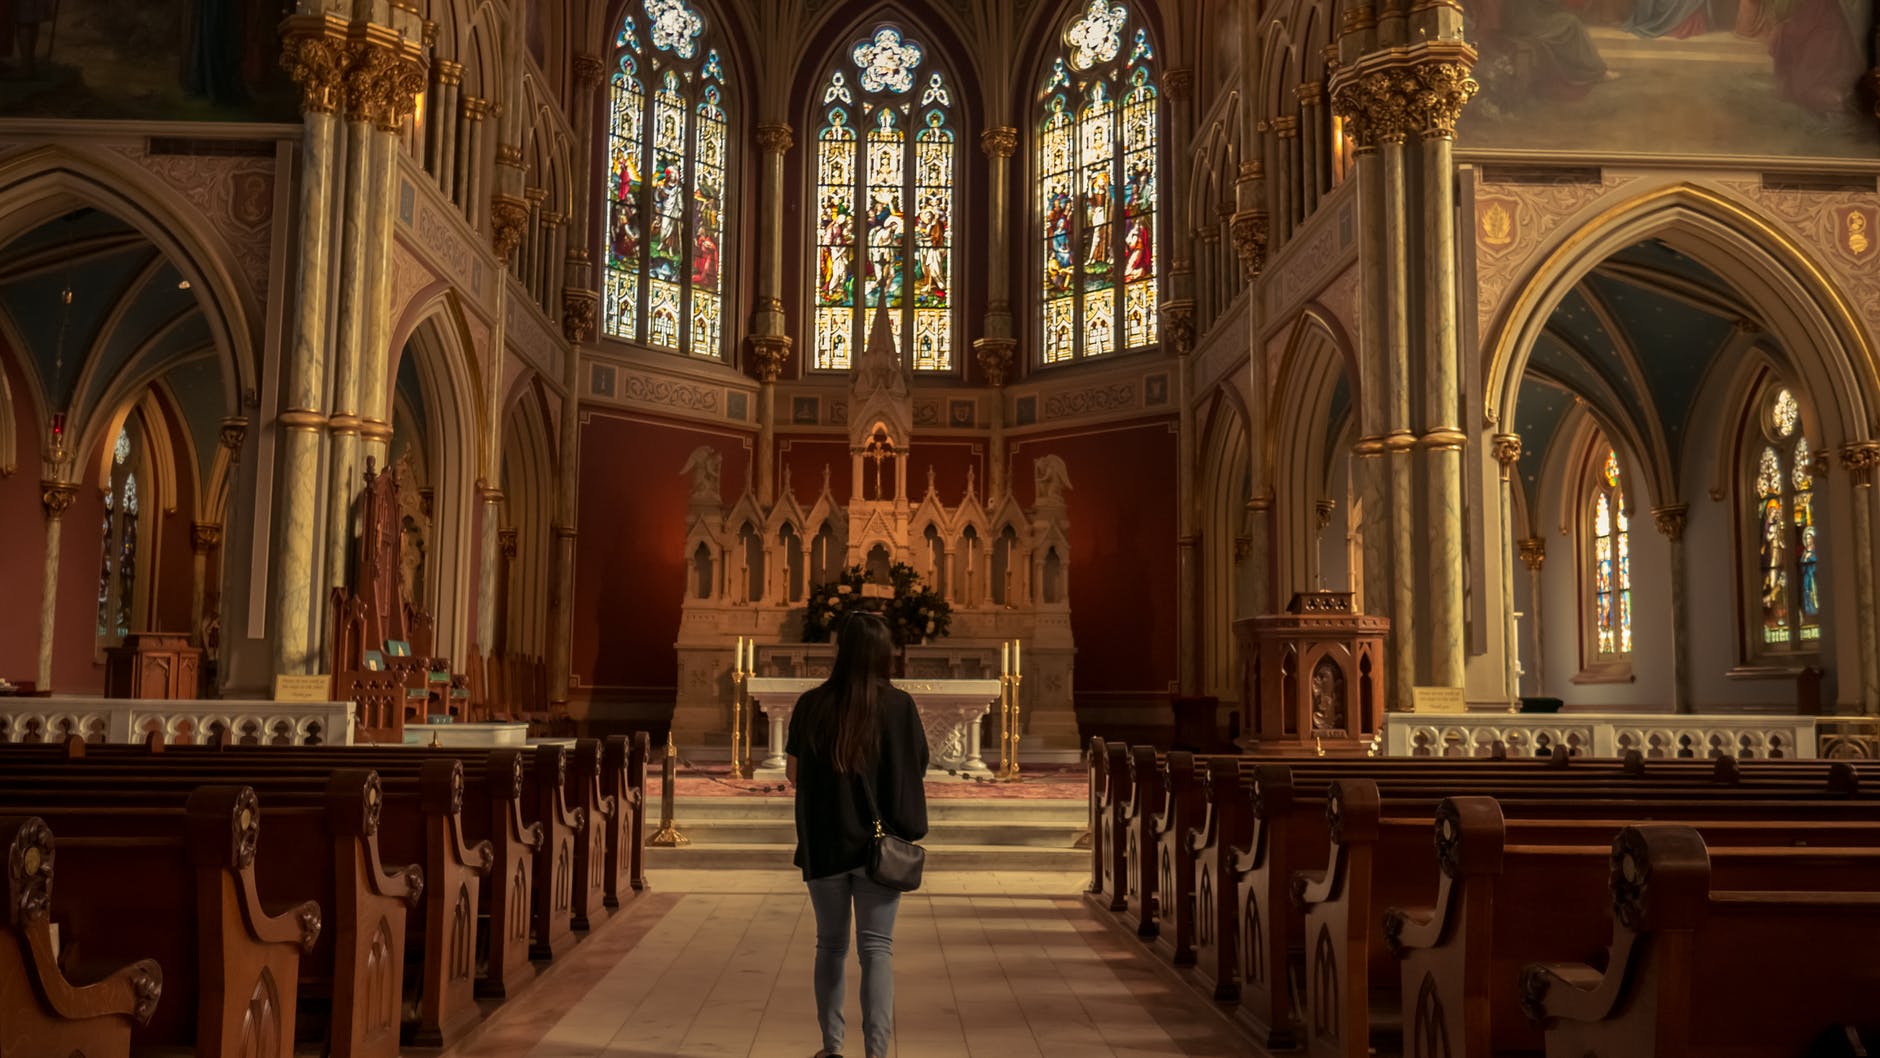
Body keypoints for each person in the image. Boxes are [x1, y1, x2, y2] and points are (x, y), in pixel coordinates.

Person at [786, 610, 929, 1058]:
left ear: (841, 651)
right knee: (877, 950)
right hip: (878, 849)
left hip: (826, 843)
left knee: (829, 946)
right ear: (885, 653)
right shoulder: (900, 706)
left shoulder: (811, 704)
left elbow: (793, 775)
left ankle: (831, 1048)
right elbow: (917, 767)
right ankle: (877, 1053)